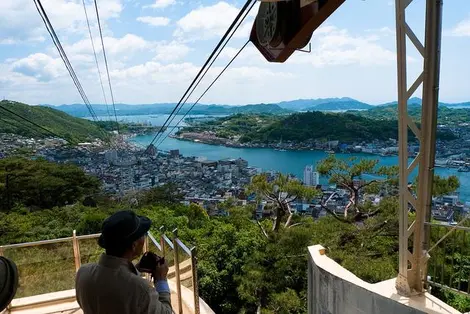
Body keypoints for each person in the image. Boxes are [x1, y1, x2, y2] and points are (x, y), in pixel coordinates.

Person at [75, 210, 172, 314]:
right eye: (143, 234)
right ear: (134, 245)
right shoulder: (139, 289)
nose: (144, 238)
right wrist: (161, 280)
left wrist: (134, 270)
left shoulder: (83, 274)